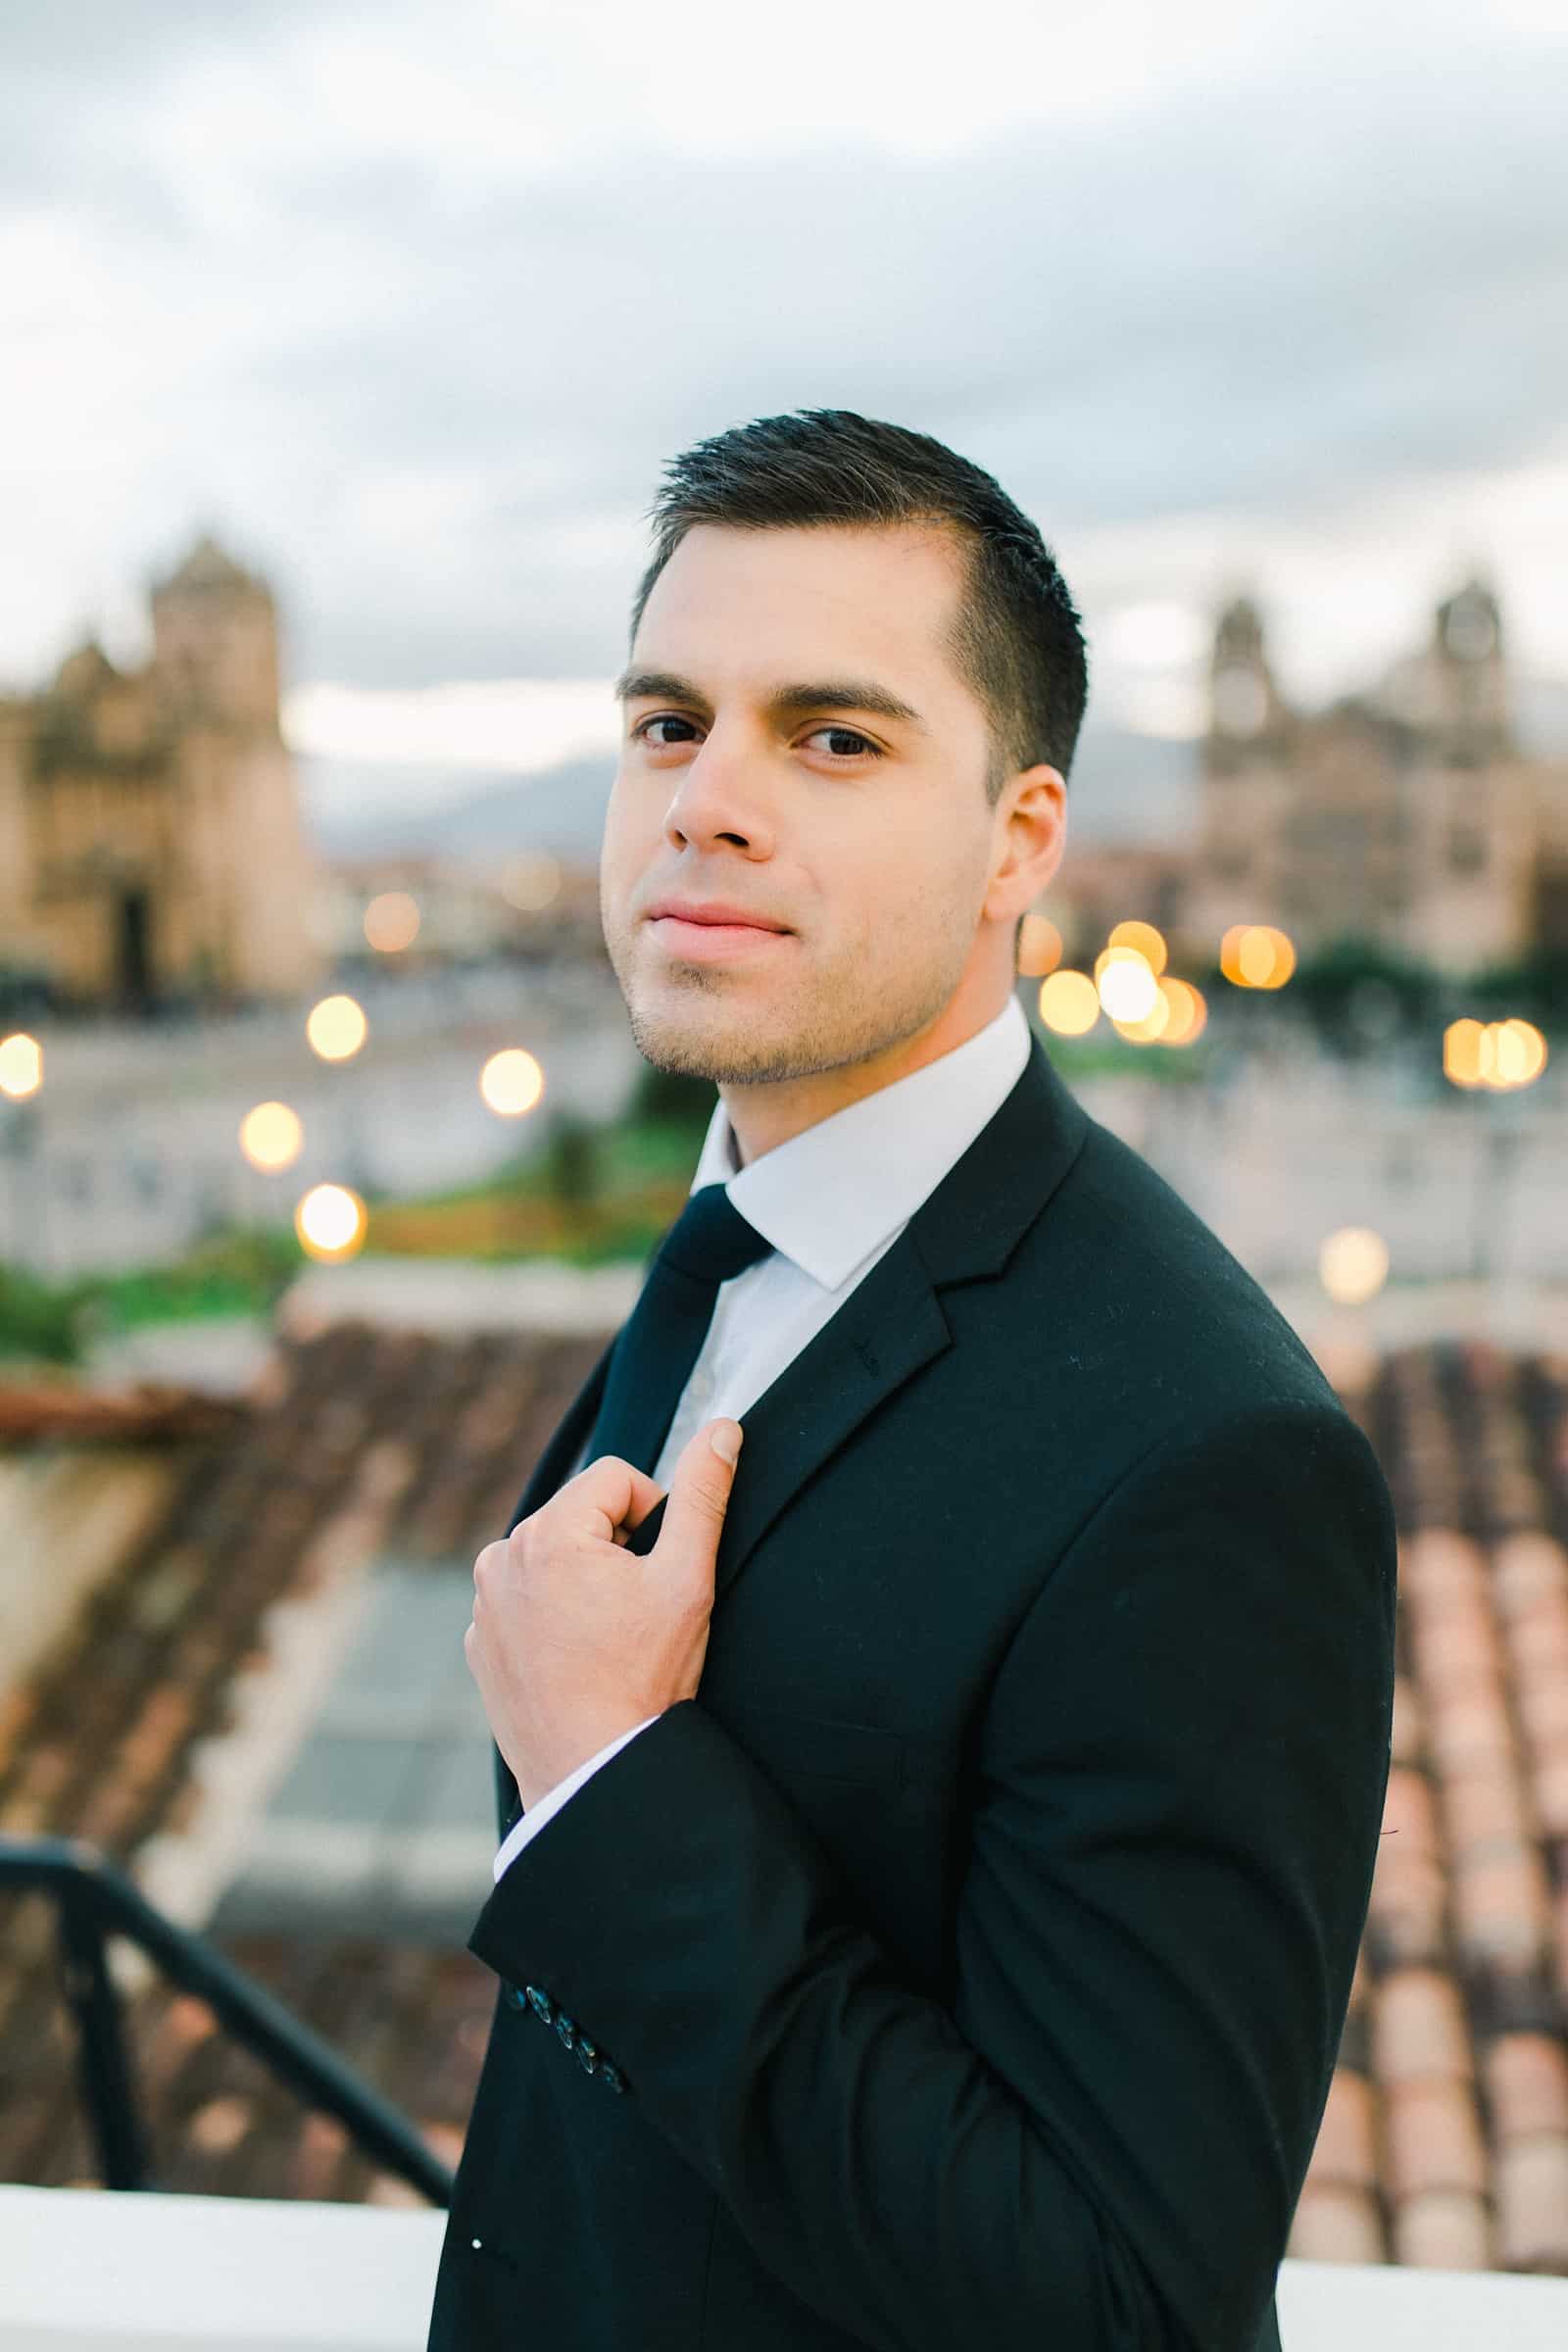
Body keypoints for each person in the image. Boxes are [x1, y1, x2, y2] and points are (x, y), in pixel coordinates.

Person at [426, 409, 1396, 2352]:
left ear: (1015, 841)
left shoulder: (1210, 1461)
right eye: (665, 722)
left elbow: (1120, 2306)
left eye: (832, 737)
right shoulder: (738, 1234)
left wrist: (615, 1783)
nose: (704, 800)